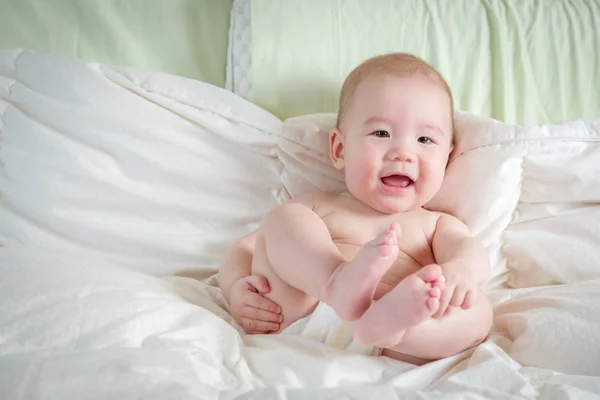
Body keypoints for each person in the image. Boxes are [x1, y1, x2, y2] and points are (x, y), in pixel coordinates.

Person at [218, 53, 493, 364]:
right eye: (381, 133)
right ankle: (337, 281)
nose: (403, 153)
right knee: (281, 219)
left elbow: (468, 249)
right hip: (303, 314)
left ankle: (395, 328)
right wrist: (236, 287)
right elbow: (245, 248)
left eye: (425, 139)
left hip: (395, 341)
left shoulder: (436, 224)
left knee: (480, 310)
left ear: (447, 159)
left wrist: (461, 271)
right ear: (340, 149)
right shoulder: (318, 206)